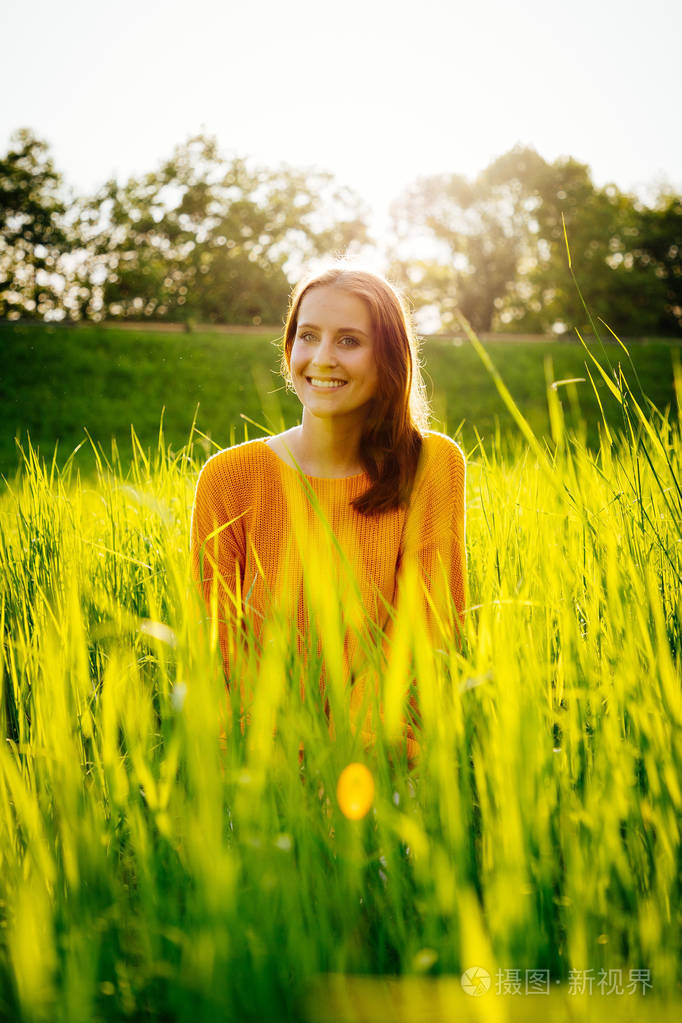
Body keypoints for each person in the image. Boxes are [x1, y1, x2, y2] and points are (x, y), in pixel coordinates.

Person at [190, 265, 466, 759]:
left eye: (349, 341)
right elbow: (218, 651)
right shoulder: (229, 477)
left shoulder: (431, 465)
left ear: (389, 357)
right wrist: (282, 755)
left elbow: (425, 628)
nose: (321, 358)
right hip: (257, 763)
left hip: (387, 757)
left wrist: (348, 749)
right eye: (308, 336)